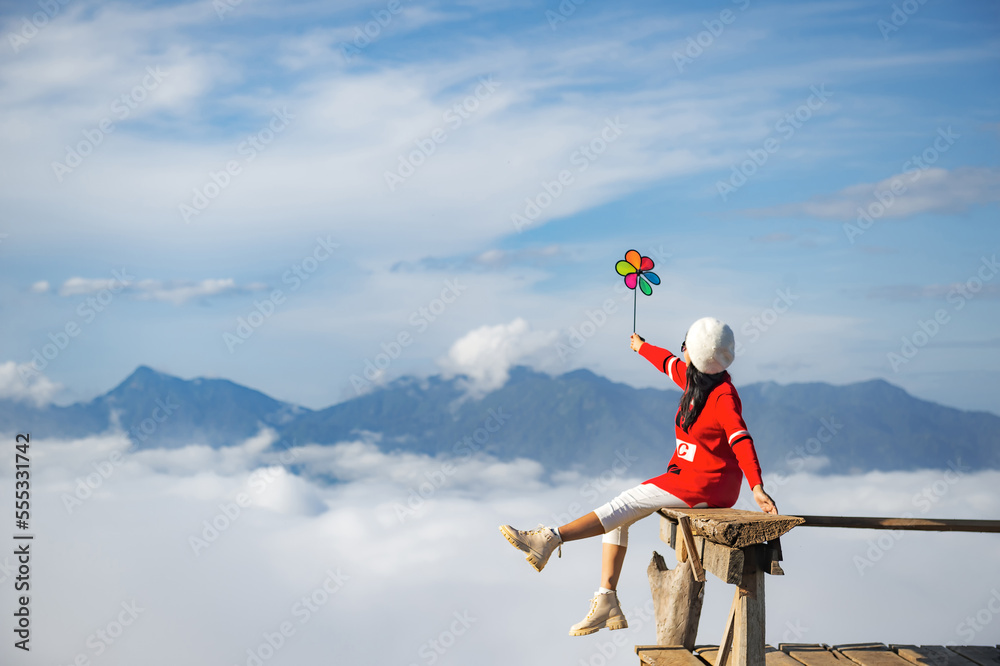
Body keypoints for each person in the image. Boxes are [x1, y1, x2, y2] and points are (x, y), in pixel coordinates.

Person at [499, 316, 777, 636]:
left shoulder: (722, 396)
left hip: (706, 485)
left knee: (625, 503)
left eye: (684, 346)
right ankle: (606, 600)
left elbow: (740, 439)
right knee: (622, 514)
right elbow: (666, 362)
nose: (680, 352)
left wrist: (756, 486)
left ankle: (549, 538)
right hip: (689, 476)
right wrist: (641, 346)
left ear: (695, 355)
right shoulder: (698, 381)